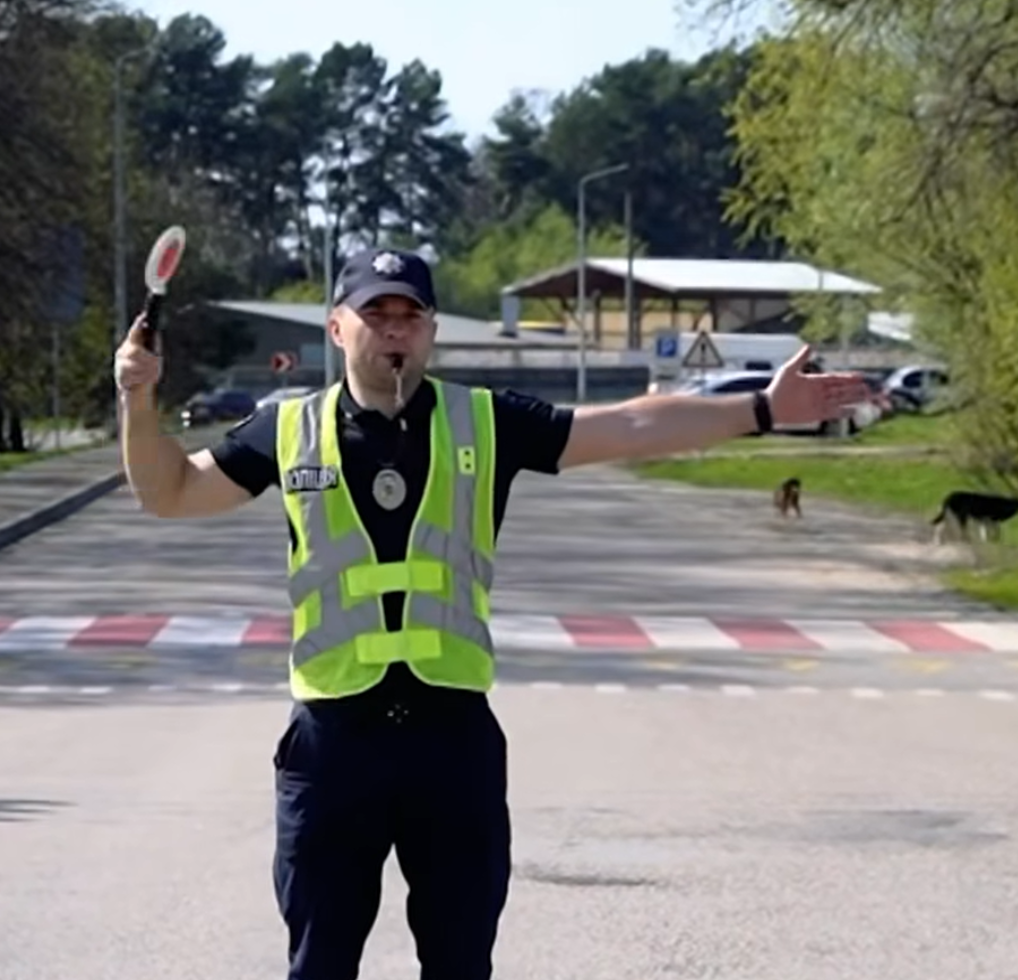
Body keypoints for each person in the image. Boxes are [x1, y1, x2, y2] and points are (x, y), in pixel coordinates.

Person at [112, 246, 870, 980]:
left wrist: (763, 409)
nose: (395, 329)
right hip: (333, 745)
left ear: (432, 330)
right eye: (376, 314)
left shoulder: (484, 420)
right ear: (337, 327)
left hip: (452, 743)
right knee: (320, 965)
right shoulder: (287, 430)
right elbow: (168, 491)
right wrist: (137, 400)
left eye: (411, 315)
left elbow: (630, 425)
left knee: (461, 964)